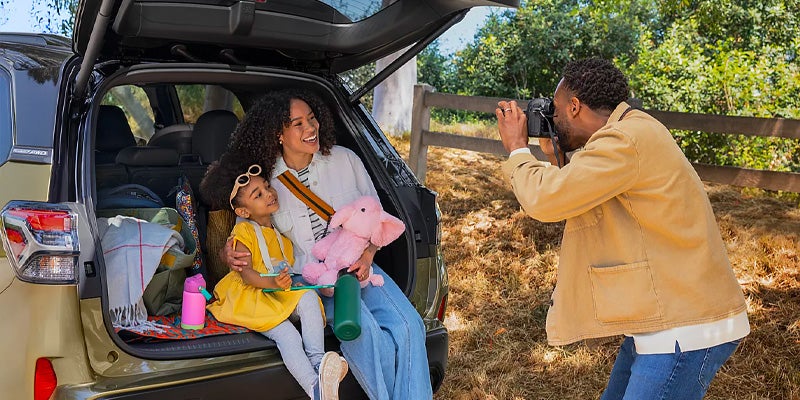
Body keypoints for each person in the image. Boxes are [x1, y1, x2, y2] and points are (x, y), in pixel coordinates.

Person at [496, 57, 750, 400]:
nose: (552, 120)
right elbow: (585, 192)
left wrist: (516, 150)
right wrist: (556, 154)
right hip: (662, 317)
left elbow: (546, 201)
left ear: (574, 106)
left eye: (554, 111)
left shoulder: (624, 141)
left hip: (684, 327)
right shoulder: (631, 130)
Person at [218, 89, 433, 400]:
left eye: (312, 118)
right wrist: (230, 252)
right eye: (298, 123)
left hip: (361, 267)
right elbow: (246, 231)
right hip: (313, 283)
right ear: (279, 134)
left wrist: (369, 255)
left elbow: (375, 217)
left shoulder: (347, 160)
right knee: (367, 334)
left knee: (410, 327)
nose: (311, 128)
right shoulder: (267, 183)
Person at [200, 157, 348, 400]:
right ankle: (315, 388)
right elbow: (246, 274)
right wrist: (273, 283)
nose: (269, 194)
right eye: (258, 195)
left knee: (309, 298)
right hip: (249, 297)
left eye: (267, 187)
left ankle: (320, 363)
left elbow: (281, 269)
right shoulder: (242, 232)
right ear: (243, 211)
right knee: (287, 335)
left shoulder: (280, 237)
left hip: (272, 291)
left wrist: (290, 283)